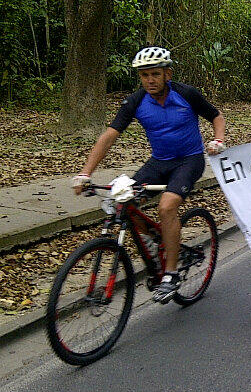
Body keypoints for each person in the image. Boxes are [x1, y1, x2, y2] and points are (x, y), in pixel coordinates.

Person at [72, 46, 226, 303]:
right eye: (144, 76)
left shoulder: (186, 94)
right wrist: (85, 173)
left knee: (166, 207)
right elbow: (110, 135)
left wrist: (218, 140)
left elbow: (216, 116)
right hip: (158, 163)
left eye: (155, 74)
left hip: (189, 161)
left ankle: (171, 273)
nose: (150, 80)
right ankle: (159, 240)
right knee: (122, 201)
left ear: (168, 73)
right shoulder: (135, 101)